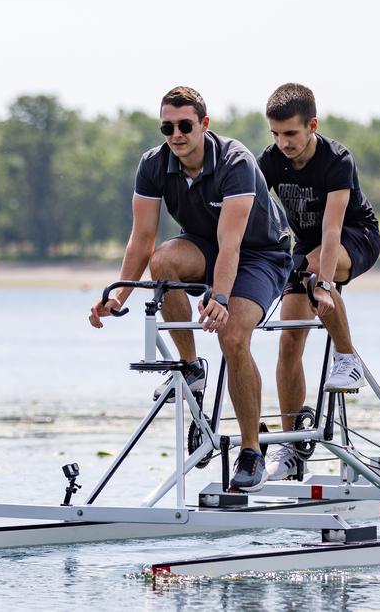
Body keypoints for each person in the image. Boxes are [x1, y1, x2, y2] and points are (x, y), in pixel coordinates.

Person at [89, 86, 292, 492]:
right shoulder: (153, 164)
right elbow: (143, 239)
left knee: (233, 337)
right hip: (203, 245)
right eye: (167, 126)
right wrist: (119, 296)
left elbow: (232, 241)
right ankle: (191, 367)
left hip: (259, 255)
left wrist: (219, 298)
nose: (176, 134)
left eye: (185, 125)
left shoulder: (236, 161)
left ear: (204, 124)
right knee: (163, 260)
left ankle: (251, 451)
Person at [256, 83, 380, 481]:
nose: (283, 143)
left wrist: (323, 284)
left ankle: (348, 359)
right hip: (307, 250)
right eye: (275, 134)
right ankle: (292, 448)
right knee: (289, 339)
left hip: (354, 237)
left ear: (313, 125)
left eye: (291, 134)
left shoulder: (336, 160)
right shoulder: (270, 161)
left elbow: (331, 231)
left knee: (312, 268)